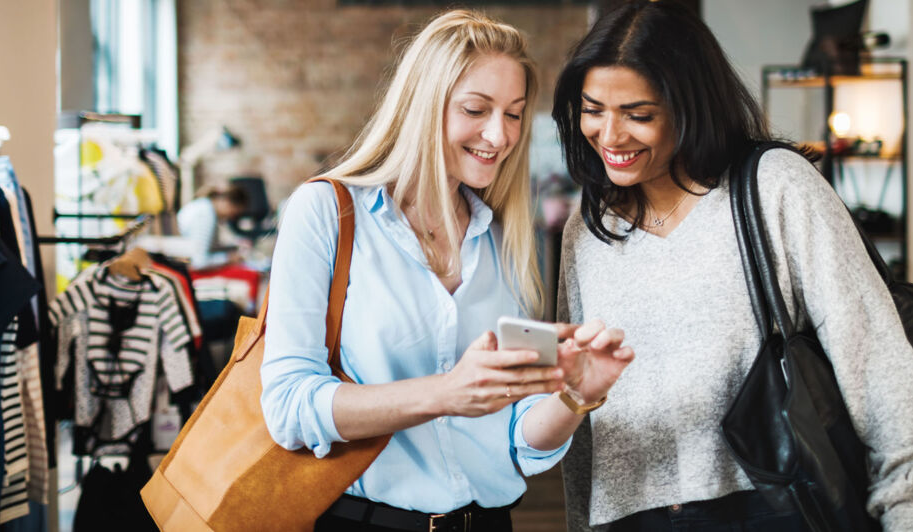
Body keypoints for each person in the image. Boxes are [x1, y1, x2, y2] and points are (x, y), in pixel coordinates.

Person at [552, 2, 913, 531]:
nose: (609, 135)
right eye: (592, 109)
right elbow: (582, 409)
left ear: (689, 107)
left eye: (638, 114)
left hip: (771, 506)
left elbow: (876, 362)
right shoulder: (587, 231)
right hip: (631, 518)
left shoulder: (774, 188)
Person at [260, 10, 634, 532]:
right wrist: (446, 392)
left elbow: (520, 442)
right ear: (423, 105)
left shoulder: (508, 238)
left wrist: (576, 395)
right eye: (476, 109)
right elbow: (289, 407)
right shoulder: (326, 212)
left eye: (514, 114)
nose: (499, 135)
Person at [176, 183, 249, 269]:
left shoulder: (205, 206)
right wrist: (228, 258)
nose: (231, 218)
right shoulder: (205, 213)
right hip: (187, 269)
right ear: (227, 202)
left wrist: (232, 248)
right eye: (234, 213)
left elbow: (207, 248)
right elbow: (199, 262)